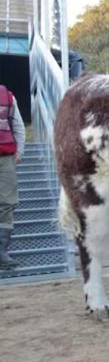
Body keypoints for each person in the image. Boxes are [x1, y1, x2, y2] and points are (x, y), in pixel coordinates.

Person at [0, 85, 24, 269]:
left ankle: (1, 252)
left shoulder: (8, 97)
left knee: (8, 202)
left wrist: (20, 151)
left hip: (6, 158)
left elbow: (18, 125)